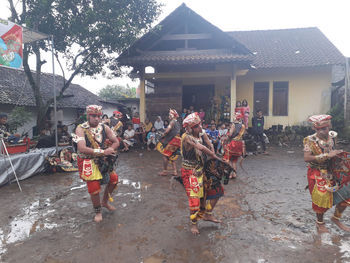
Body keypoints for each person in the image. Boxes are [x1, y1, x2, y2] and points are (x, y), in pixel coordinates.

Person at [73, 105, 119, 223]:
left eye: (98, 116)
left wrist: (111, 150)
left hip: (103, 160)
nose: (97, 118)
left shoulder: (105, 127)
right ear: (88, 116)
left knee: (114, 179)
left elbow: (116, 141)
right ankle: (98, 211)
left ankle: (104, 202)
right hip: (87, 160)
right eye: (94, 116)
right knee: (94, 187)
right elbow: (82, 148)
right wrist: (103, 151)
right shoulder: (80, 128)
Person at [303, 114, 350, 233]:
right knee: (321, 198)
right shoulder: (309, 140)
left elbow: (333, 151)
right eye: (322, 129)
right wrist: (326, 155)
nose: (325, 131)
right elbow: (307, 158)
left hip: (332, 169)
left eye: (327, 128)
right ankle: (320, 223)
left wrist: (339, 155)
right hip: (317, 172)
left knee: (346, 193)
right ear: (316, 129)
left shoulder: (332, 137)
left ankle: (336, 218)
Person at [181, 112, 222, 235]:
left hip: (202, 169)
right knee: (195, 200)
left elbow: (207, 142)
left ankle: (207, 214)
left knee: (217, 191)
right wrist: (214, 156)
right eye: (198, 126)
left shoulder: (200, 132)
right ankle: (194, 224)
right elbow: (201, 148)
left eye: (200, 125)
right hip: (190, 172)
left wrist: (212, 149)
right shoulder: (186, 137)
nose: (201, 128)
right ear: (190, 128)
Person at [157, 109, 181, 176]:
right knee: (171, 156)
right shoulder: (177, 122)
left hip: (173, 141)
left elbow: (167, 131)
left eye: (169, 115)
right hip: (178, 141)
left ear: (172, 115)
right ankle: (175, 171)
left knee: (165, 156)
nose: (169, 116)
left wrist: (163, 135)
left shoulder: (172, 122)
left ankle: (164, 171)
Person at [223, 112, 246, 178]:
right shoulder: (243, 125)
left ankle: (230, 174)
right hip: (240, 143)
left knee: (229, 159)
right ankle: (234, 174)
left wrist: (226, 136)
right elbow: (243, 135)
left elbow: (230, 134)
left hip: (234, 143)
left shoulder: (233, 125)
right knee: (235, 160)